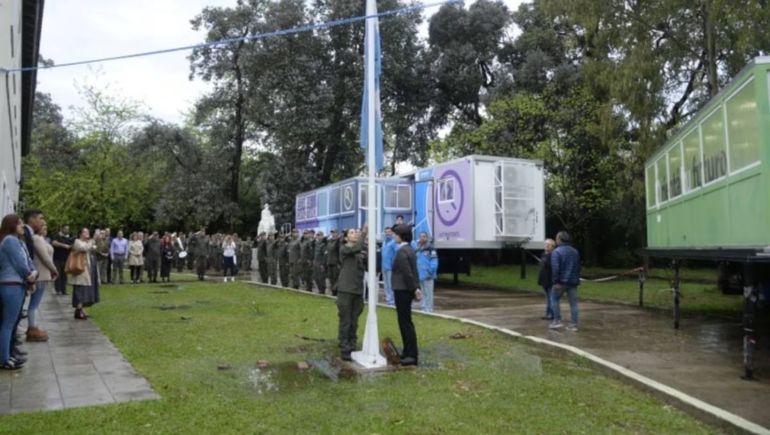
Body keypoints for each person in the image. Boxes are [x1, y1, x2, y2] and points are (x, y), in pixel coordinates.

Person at [0, 214, 38, 370]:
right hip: (11, 284)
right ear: (11, 225)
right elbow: (20, 264)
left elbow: (29, 262)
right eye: (20, 223)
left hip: (20, 284)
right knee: (8, 323)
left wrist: (32, 275)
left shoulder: (19, 242)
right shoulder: (9, 241)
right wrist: (30, 276)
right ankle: (4, 358)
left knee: (13, 322)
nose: (23, 226)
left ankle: (9, 354)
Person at [336, 226, 367, 361]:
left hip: (357, 290)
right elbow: (355, 248)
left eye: (356, 232)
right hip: (345, 290)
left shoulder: (359, 251)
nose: (355, 234)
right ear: (346, 237)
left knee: (354, 320)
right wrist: (364, 234)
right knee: (346, 320)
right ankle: (344, 347)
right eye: (352, 233)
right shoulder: (345, 248)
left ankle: (352, 344)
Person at [391, 224, 420, 366]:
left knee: (405, 323)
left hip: (402, 290)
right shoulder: (409, 249)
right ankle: (408, 352)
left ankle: (412, 355)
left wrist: (415, 289)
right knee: (405, 322)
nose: (394, 236)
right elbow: (414, 272)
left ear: (401, 235)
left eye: (396, 234)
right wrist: (416, 288)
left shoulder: (402, 251)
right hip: (404, 290)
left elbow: (408, 273)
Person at [29, 222, 58, 342]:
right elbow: (45, 258)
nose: (45, 228)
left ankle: (34, 326)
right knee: (34, 304)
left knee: (36, 303)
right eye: (43, 226)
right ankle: (33, 327)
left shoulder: (42, 239)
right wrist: (54, 270)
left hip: (43, 274)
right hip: (40, 274)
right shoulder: (36, 239)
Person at [549, 231, 581, 332]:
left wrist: (555, 281)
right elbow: (578, 267)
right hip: (573, 282)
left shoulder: (557, 252)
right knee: (573, 304)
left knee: (553, 299)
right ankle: (573, 325)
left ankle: (557, 320)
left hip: (561, 282)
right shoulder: (575, 251)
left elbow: (555, 268)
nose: (556, 240)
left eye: (556, 238)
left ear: (560, 239)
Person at [70, 228, 100, 319]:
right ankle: (79, 311)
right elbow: (84, 248)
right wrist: (93, 240)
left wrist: (95, 241)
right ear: (80, 234)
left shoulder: (88, 242)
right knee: (80, 290)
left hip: (87, 270)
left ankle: (80, 310)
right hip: (80, 270)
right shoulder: (77, 241)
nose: (88, 233)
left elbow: (93, 248)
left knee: (85, 291)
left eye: (88, 231)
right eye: (85, 232)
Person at [413, 232, 438, 313]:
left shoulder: (431, 248)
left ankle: (429, 309)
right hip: (420, 275)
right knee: (422, 293)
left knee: (429, 293)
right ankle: (424, 308)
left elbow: (434, 261)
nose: (422, 238)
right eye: (421, 236)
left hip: (428, 275)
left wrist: (430, 271)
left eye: (424, 236)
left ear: (427, 238)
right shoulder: (418, 248)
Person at [51, 224, 74, 295]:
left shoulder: (69, 237)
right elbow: (54, 243)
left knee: (64, 275)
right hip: (57, 258)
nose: (67, 230)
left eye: (68, 229)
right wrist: (64, 246)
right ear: (62, 229)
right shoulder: (57, 236)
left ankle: (64, 290)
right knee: (58, 274)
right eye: (66, 229)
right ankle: (58, 290)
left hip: (66, 259)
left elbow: (72, 245)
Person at [537, 239, 556, 321]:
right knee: (547, 298)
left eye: (549, 244)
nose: (546, 246)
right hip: (544, 280)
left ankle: (553, 315)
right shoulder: (543, 254)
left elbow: (552, 267)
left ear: (552, 247)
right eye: (545, 244)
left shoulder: (553, 255)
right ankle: (548, 314)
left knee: (551, 298)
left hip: (550, 280)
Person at [381, 227, 397, 306]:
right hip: (384, 267)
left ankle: (392, 301)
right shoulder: (384, 242)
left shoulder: (394, 242)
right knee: (386, 285)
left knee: (391, 285)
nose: (387, 233)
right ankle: (388, 299)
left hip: (391, 267)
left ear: (392, 233)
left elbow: (396, 254)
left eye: (389, 232)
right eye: (386, 232)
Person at [326, 230, 340, 296]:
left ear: (337, 233)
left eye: (334, 233)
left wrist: (339, 263)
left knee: (336, 278)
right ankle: (333, 292)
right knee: (331, 278)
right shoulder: (330, 241)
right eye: (332, 233)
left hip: (336, 263)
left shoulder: (338, 242)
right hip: (329, 262)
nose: (333, 234)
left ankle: (336, 292)